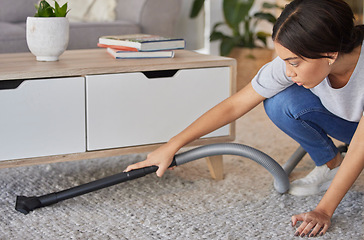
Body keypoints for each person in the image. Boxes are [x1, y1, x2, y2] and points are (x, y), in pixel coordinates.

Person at [125, 0, 364, 237]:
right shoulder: (294, 63)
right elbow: (235, 105)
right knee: (280, 101)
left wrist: (323, 210)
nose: (288, 71)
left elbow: (360, 147)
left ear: (330, 54)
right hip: (351, 130)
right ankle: (332, 163)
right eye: (284, 61)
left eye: (294, 63)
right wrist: (172, 145)